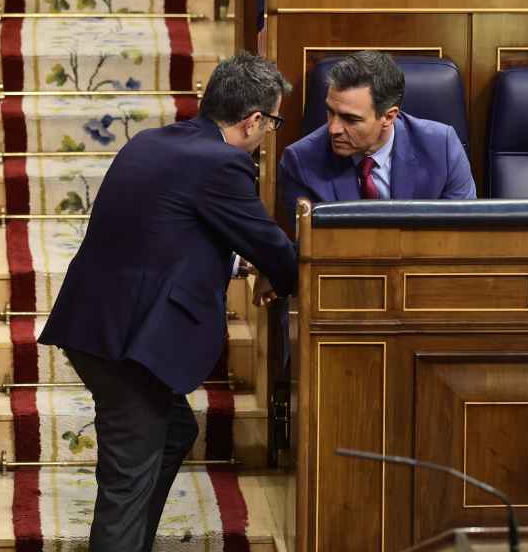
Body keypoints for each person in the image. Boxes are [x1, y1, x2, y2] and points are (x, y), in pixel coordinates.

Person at [38, 53, 297, 551]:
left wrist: (238, 265)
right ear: (254, 120)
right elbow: (275, 249)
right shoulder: (224, 163)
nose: (269, 134)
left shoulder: (153, 141)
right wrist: (274, 273)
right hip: (128, 344)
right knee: (126, 481)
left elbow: (165, 238)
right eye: (273, 122)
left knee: (174, 431)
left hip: (99, 325)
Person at [278, 50, 476, 224]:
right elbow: (311, 252)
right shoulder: (300, 162)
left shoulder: (443, 148)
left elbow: (460, 236)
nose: (333, 129)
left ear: (388, 117)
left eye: (350, 119)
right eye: (330, 112)